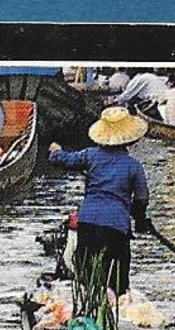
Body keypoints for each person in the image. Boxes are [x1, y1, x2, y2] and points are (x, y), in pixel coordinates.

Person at [48, 107, 153, 293]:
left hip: (88, 221)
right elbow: (141, 199)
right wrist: (140, 220)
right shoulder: (133, 166)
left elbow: (64, 160)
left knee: (86, 281)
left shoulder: (91, 155)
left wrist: (56, 152)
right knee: (117, 283)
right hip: (116, 227)